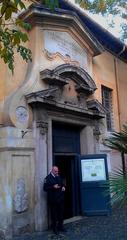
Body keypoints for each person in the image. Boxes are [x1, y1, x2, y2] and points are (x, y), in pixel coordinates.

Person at [43, 166, 66, 235]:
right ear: (52, 171)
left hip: (60, 199)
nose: (57, 172)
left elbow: (62, 184)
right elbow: (45, 188)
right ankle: (55, 229)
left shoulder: (58, 176)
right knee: (54, 215)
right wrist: (53, 187)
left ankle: (61, 226)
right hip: (53, 200)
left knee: (61, 214)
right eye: (56, 171)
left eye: (57, 171)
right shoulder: (47, 178)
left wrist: (63, 187)